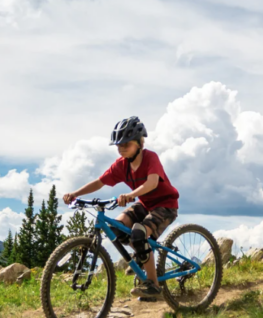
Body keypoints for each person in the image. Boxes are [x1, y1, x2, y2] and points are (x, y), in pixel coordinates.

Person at [63, 117, 179, 300]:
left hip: (165, 205)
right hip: (145, 204)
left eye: (127, 144)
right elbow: (100, 182)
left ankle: (153, 285)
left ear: (140, 143)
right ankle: (143, 258)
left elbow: (152, 182)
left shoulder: (150, 158)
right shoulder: (121, 165)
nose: (122, 148)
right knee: (118, 227)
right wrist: (76, 193)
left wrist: (132, 195)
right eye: (119, 145)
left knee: (139, 233)